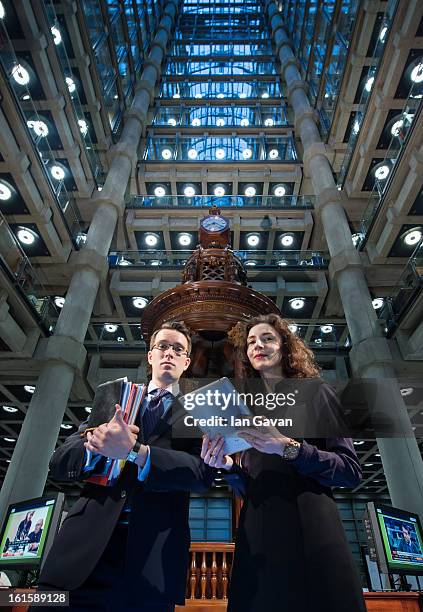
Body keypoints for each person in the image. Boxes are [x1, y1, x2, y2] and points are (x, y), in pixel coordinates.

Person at [34, 321, 214, 612]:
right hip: (80, 553)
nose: (169, 352)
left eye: (178, 349)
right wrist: (95, 445)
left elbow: (202, 475)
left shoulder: (200, 413)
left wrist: (136, 453)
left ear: (187, 361)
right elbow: (59, 462)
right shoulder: (114, 399)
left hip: (152, 564)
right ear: (150, 356)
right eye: (163, 346)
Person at [202, 313, 366, 612]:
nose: (258, 345)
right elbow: (251, 488)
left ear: (285, 347)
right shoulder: (246, 410)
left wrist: (289, 448)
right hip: (259, 538)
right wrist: (227, 467)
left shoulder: (317, 393)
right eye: (251, 341)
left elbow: (350, 471)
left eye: (267, 338)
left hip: (309, 531)